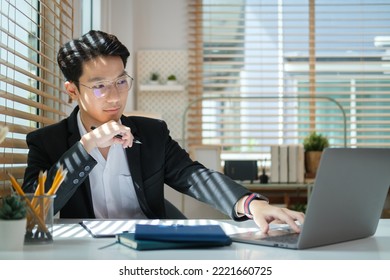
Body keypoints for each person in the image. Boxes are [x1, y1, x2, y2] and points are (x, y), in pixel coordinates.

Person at [22, 30, 304, 234]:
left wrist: (250, 203)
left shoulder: (152, 133)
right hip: (87, 253)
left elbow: (193, 175)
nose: (115, 97)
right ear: (72, 90)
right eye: (99, 86)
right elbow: (33, 211)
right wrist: (87, 145)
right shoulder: (48, 142)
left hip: (151, 249)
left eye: (121, 81)